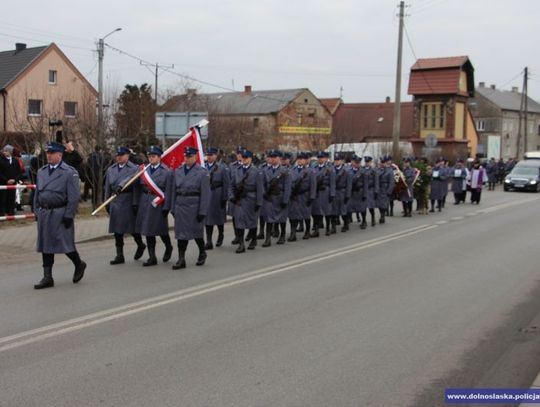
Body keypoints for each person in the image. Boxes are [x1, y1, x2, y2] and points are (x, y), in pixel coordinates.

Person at [33, 141, 86, 289]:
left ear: (60, 155)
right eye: (47, 153)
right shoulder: (42, 171)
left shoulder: (69, 172)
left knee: (65, 244)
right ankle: (47, 277)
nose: (48, 156)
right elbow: (38, 193)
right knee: (45, 245)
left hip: (60, 213)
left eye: (51, 154)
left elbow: (74, 197)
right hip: (45, 212)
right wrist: (36, 209)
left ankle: (78, 263)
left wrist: (69, 214)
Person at [104, 146, 146, 265]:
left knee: (132, 228)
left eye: (121, 155)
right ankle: (119, 255)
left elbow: (136, 188)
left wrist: (135, 203)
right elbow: (107, 187)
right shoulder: (111, 169)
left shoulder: (134, 169)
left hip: (127, 200)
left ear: (127, 156)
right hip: (115, 201)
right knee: (117, 230)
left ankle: (140, 244)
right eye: (117, 155)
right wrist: (106, 202)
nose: (119, 157)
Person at [170, 146, 211, 269]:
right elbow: (174, 191)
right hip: (181, 205)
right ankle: (181, 259)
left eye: (190, 156)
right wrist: (173, 207)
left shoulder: (202, 173)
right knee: (181, 234)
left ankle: (202, 252)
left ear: (196, 157)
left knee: (196, 233)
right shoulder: (178, 171)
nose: (187, 159)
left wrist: (203, 211)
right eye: (185, 156)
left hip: (194, 205)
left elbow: (206, 194)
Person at [134, 146, 173, 266]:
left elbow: (169, 191)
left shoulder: (166, 171)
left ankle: (168, 246)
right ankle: (152, 257)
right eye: (149, 156)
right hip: (145, 201)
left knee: (161, 230)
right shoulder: (143, 170)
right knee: (148, 230)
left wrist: (167, 207)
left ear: (159, 157)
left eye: (153, 156)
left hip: (158, 202)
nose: (151, 159)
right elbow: (136, 185)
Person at [229, 149, 264, 253]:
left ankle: (253, 239)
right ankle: (241, 243)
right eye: (242, 157)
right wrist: (231, 196)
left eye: (246, 158)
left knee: (252, 221)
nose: (244, 160)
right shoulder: (237, 170)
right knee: (239, 222)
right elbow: (231, 185)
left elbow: (260, 188)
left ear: (250, 159)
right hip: (239, 200)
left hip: (251, 199)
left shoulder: (256, 171)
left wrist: (259, 202)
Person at [261, 150, 291, 247]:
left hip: (280, 197)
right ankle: (267, 238)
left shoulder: (285, 171)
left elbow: (287, 187)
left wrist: (285, 200)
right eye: (271, 157)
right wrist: (264, 194)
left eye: (275, 157)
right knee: (268, 218)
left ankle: (282, 235)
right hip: (269, 197)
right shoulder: (265, 170)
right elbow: (262, 184)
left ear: (279, 158)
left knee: (281, 218)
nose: (273, 159)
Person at [204, 147, 229, 249]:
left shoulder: (222, 167)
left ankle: (221, 234)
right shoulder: (203, 167)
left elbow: (226, 184)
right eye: (208, 155)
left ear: (215, 156)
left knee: (219, 218)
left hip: (217, 195)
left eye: (211, 155)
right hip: (207, 195)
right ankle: (209, 241)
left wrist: (224, 197)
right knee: (207, 220)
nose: (209, 157)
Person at [288, 151, 316, 241]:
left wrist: (311, 197)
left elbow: (313, 185)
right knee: (293, 215)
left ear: (305, 160)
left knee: (306, 215)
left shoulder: (310, 171)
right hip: (294, 196)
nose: (300, 161)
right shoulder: (292, 170)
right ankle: (293, 234)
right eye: (299, 159)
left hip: (305, 195)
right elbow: (289, 184)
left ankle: (307, 231)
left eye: (302, 159)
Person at [311, 151, 335, 237]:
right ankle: (316, 230)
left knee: (327, 211)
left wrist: (332, 194)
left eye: (322, 158)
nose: (320, 159)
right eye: (319, 158)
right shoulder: (314, 168)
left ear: (325, 158)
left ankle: (328, 228)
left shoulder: (329, 169)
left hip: (326, 191)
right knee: (316, 211)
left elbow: (332, 182)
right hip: (317, 192)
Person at [0, 144, 23, 216]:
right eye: (4, 151)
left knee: (11, 198)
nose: (4, 152)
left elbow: (19, 172)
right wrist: (6, 180)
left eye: (6, 151)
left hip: (13, 183)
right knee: (2, 199)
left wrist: (15, 180)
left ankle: (11, 213)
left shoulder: (15, 161)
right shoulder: (1, 160)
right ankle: (2, 214)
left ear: (10, 152)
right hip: (3, 183)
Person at [332, 153, 352, 232]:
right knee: (333, 210)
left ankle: (345, 224)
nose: (337, 162)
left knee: (343, 210)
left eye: (338, 160)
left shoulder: (346, 171)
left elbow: (349, 185)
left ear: (342, 161)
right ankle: (333, 227)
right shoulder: (331, 170)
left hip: (342, 192)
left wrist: (347, 195)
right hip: (334, 192)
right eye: (336, 160)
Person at [347, 155, 368, 228]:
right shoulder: (348, 170)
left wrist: (365, 194)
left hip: (360, 192)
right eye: (356, 162)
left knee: (362, 208)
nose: (357, 164)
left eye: (358, 163)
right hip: (352, 192)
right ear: (352, 162)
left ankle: (364, 221)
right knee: (349, 207)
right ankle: (347, 222)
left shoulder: (363, 171)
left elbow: (365, 184)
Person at [377, 156, 395, 224]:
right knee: (379, 204)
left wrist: (389, 191)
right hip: (378, 188)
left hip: (385, 188)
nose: (382, 164)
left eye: (383, 163)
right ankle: (381, 214)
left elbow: (391, 182)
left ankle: (382, 216)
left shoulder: (389, 171)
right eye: (381, 163)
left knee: (384, 204)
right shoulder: (377, 170)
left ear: (385, 163)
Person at [363, 156, 379, 227]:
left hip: (370, 190)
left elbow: (376, 181)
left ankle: (373, 218)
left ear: (371, 162)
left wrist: (376, 191)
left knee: (370, 207)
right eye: (366, 162)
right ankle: (364, 220)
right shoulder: (362, 170)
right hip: (363, 190)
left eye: (368, 162)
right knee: (363, 207)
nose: (367, 163)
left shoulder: (373, 171)